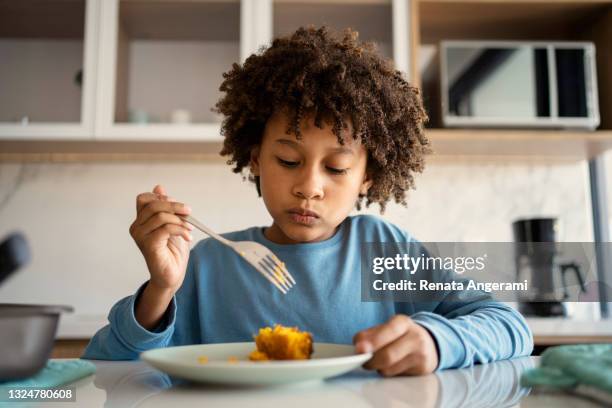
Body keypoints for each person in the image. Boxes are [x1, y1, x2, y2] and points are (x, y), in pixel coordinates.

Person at [83, 26, 533, 376]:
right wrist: (161, 289)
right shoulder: (208, 264)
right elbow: (106, 367)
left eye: (336, 168)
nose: (309, 187)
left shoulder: (385, 252)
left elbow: (510, 326)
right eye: (287, 159)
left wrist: (437, 343)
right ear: (256, 159)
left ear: (366, 177)